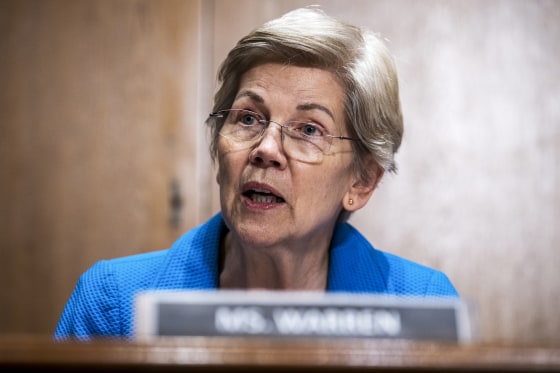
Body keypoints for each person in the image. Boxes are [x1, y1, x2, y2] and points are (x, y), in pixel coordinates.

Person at [54, 6, 459, 340]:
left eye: (309, 130)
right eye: (248, 119)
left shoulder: (425, 308)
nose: (265, 149)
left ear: (362, 181)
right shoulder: (116, 303)